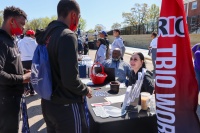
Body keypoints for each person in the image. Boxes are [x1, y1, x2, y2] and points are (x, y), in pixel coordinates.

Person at [35, 0, 92, 132]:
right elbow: (70, 80)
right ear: (73, 15)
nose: (78, 21)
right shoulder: (67, 35)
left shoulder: (47, 34)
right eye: (79, 17)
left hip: (48, 103)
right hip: (66, 106)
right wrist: (86, 90)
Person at [0, 6, 31, 133]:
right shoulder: (1, 41)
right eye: (22, 24)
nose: (23, 28)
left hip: (13, 99)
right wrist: (22, 78)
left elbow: (10, 65)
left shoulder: (11, 40)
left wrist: (23, 71)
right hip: (5, 101)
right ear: (11, 21)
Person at [18, 29, 37, 96]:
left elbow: (18, 50)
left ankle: (26, 89)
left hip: (23, 60)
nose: (34, 36)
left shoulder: (20, 41)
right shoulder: (34, 41)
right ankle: (32, 90)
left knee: (25, 74)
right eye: (33, 35)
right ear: (30, 35)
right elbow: (36, 50)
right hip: (32, 59)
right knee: (32, 74)